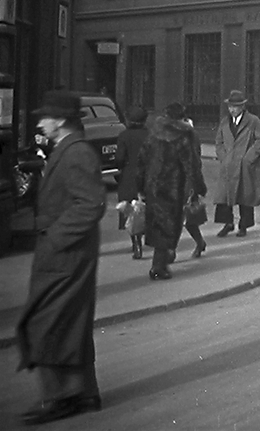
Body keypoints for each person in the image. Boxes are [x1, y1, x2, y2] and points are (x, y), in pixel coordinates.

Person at [16, 91, 107, 424]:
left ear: (61, 121)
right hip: (68, 252)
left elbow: (91, 204)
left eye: (45, 117)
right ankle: (85, 393)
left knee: (48, 322)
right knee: (69, 322)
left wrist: (54, 238)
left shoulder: (76, 152)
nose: (40, 122)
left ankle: (61, 397)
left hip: (66, 253)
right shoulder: (68, 149)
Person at [134, 102, 207, 280]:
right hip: (174, 188)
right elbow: (192, 165)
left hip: (153, 187)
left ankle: (162, 261)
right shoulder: (184, 137)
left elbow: (141, 162)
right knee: (169, 226)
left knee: (159, 224)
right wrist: (198, 187)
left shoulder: (154, 135)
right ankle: (158, 267)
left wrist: (140, 186)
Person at [213, 90, 260, 238]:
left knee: (245, 197)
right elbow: (219, 141)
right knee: (225, 197)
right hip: (228, 164)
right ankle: (228, 224)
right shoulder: (225, 121)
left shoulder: (253, 121)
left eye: (235, 106)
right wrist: (223, 157)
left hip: (245, 165)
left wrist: (248, 158)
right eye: (230, 106)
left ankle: (244, 226)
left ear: (242, 106)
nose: (232, 109)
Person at [114, 105, 150, 256]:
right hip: (148, 175)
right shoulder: (150, 134)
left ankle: (136, 244)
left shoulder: (124, 135)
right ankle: (144, 238)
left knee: (129, 210)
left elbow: (119, 158)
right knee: (144, 208)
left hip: (129, 177)